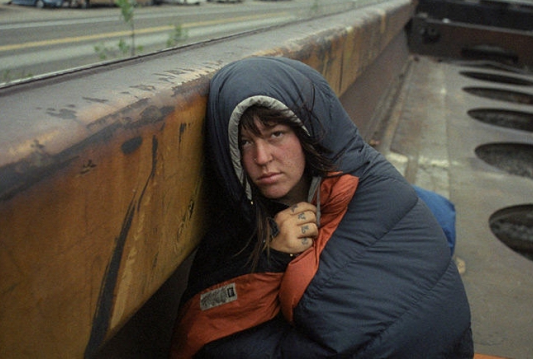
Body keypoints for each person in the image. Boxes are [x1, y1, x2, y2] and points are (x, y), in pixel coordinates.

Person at [170, 56, 473, 358]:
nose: (262, 158)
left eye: (275, 134)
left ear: (306, 132)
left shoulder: (366, 183)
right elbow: (204, 314)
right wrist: (272, 255)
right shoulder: (240, 225)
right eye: (246, 143)